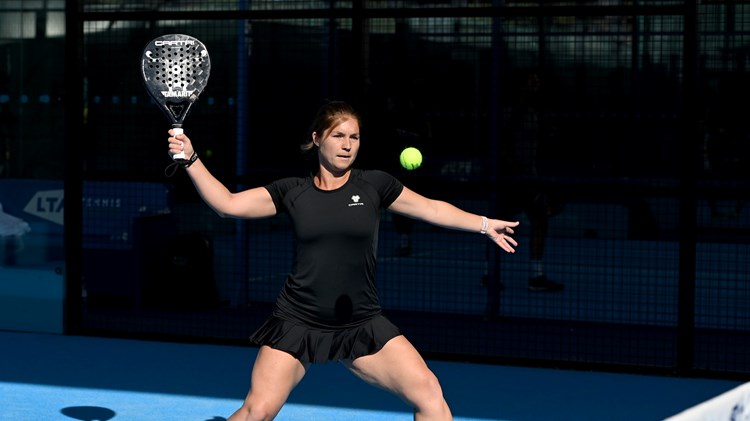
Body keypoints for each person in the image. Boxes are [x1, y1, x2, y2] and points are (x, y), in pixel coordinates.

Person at [166, 100, 520, 421]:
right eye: (339, 135)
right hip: (298, 321)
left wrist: (484, 224)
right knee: (257, 411)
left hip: (360, 322)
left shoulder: (375, 185)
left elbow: (430, 208)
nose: (348, 144)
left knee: (430, 395)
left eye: (355, 137)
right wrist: (192, 159)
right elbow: (228, 204)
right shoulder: (292, 191)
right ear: (318, 138)